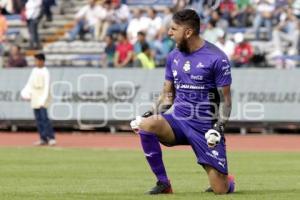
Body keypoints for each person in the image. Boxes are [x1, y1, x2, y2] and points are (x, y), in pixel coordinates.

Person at [130, 9, 235, 195]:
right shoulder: (173, 56)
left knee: (221, 190)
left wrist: (219, 127)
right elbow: (167, 96)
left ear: (188, 32)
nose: (169, 33)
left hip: (205, 128)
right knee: (148, 125)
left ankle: (227, 181)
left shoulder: (217, 58)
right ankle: (164, 184)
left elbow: (226, 100)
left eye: (173, 29)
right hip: (178, 121)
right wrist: (150, 112)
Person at [21, 53, 56, 146]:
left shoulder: (45, 72)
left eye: (36, 60)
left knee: (45, 119)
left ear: (42, 61)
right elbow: (30, 83)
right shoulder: (34, 71)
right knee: (38, 119)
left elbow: (46, 87)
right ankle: (43, 138)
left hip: (42, 98)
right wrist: (25, 93)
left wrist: (43, 100)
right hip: (35, 97)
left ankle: (51, 138)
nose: (35, 62)